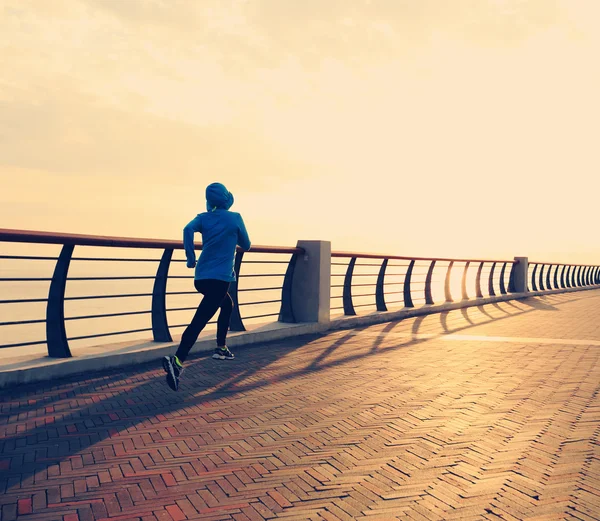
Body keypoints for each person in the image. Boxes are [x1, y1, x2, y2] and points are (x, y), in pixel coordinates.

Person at [162, 182, 251, 391]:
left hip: (201, 277)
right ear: (227, 199)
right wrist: (231, 239)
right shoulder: (235, 218)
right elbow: (246, 245)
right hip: (220, 279)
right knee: (199, 321)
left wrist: (190, 257)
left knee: (227, 305)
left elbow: (187, 229)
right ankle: (177, 361)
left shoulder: (203, 217)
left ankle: (221, 348)